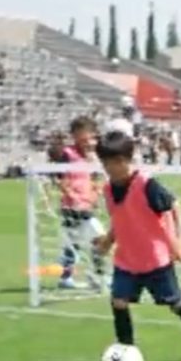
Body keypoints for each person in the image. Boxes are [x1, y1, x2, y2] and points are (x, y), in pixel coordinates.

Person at [92, 131, 181, 361]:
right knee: (118, 301)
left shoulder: (146, 185)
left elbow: (173, 204)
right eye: (105, 163)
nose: (109, 168)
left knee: (176, 304)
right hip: (126, 261)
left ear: (126, 160)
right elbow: (119, 219)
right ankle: (125, 352)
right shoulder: (108, 190)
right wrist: (107, 242)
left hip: (155, 261)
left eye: (114, 162)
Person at [54, 116, 107, 289]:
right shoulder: (67, 154)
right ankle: (68, 277)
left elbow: (97, 177)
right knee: (74, 242)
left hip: (87, 206)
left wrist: (96, 192)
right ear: (74, 136)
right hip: (71, 207)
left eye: (88, 138)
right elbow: (59, 179)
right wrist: (72, 196)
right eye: (81, 138)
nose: (85, 142)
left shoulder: (93, 156)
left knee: (98, 239)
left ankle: (95, 276)